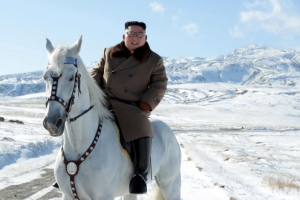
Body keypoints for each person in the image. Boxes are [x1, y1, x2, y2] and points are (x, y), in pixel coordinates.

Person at [90, 21, 168, 194]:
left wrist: (146, 103)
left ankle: (139, 175)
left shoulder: (154, 60)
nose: (135, 38)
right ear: (124, 36)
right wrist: (90, 90)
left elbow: (160, 83)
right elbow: (96, 72)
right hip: (104, 103)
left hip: (131, 106)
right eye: (131, 34)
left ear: (145, 38)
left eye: (139, 35)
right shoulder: (109, 52)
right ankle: (69, 168)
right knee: (78, 120)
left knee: (142, 127)